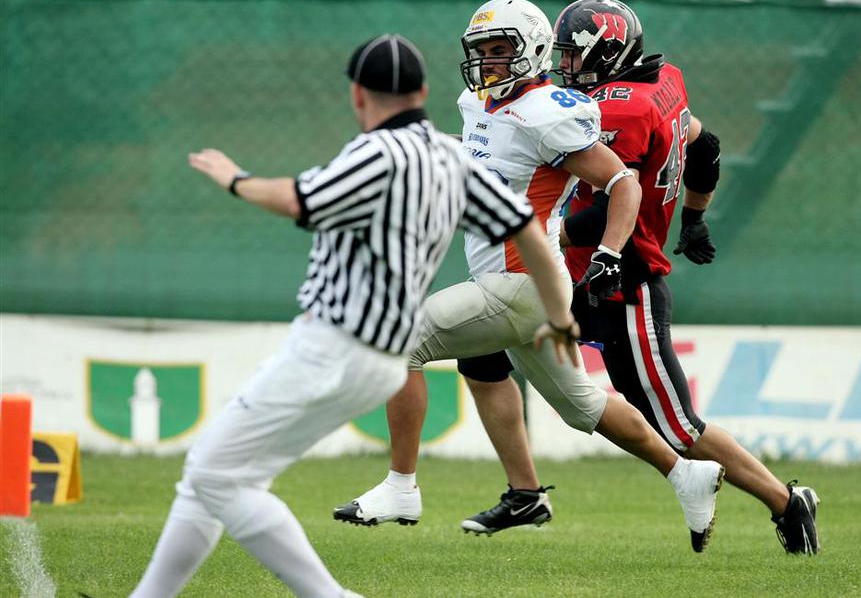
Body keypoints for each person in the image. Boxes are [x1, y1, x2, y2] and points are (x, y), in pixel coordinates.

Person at [131, 34, 586, 598]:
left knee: (209, 471)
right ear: (422, 91)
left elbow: (301, 200)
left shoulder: (376, 153)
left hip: (333, 346)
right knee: (221, 479)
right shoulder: (452, 157)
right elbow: (525, 230)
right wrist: (561, 313)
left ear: (356, 95)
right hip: (384, 360)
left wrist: (235, 179)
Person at [414, 0, 821, 555]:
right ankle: (524, 491)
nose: (566, 69)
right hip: (569, 280)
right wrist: (695, 218)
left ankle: (785, 500)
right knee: (483, 356)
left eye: (576, 59)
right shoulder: (663, 83)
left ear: (609, 53)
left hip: (621, 282)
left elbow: (611, 200)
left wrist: (545, 232)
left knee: (678, 428)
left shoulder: (620, 108)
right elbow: (706, 145)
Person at [333, 0, 726, 554]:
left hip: (521, 286)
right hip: (517, 286)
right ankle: (687, 475)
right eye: (482, 52)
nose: (489, 63)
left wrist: (609, 253)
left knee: (398, 342)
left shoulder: (550, 110)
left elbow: (624, 183)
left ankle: (402, 487)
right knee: (583, 406)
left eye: (502, 50)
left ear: (534, 50)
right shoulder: (478, 101)